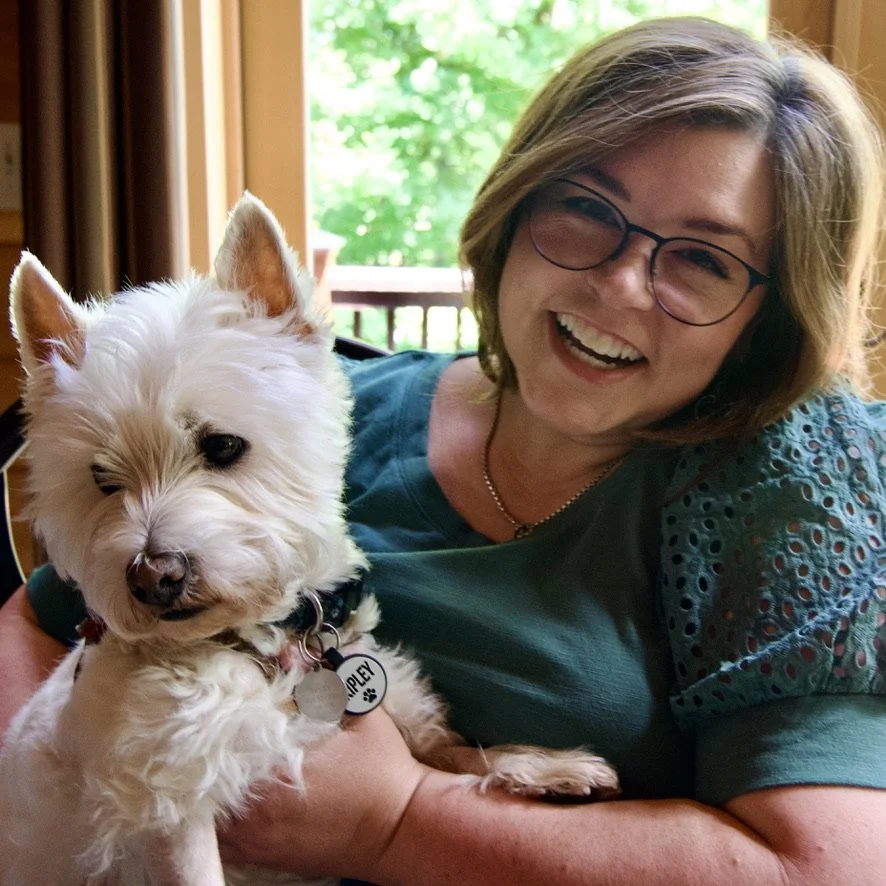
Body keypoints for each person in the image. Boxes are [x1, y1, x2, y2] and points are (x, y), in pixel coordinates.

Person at [2, 15, 886, 884]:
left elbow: (825, 868)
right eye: (587, 208)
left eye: (703, 259)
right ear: (515, 204)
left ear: (768, 315)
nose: (620, 285)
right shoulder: (327, 412)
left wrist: (395, 822)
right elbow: (38, 627)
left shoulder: (787, 493)